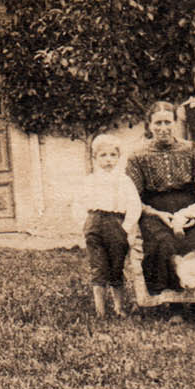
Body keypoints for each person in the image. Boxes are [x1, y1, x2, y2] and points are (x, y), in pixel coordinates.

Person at [124, 101, 195, 295]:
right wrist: (157, 214)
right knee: (164, 243)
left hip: (190, 208)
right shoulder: (137, 156)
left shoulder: (192, 149)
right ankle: (172, 300)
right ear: (149, 125)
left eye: (167, 122)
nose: (163, 128)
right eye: (157, 123)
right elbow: (132, 197)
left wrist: (193, 213)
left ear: (176, 123)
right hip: (154, 211)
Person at [70, 132, 141, 317]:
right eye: (103, 155)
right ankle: (100, 310)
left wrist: (126, 226)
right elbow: (78, 203)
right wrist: (84, 223)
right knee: (98, 266)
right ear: (94, 158)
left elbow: (134, 205)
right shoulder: (90, 180)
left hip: (117, 224)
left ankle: (119, 307)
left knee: (116, 266)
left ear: (118, 157)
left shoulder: (124, 180)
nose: (108, 160)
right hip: (95, 223)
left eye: (112, 155)